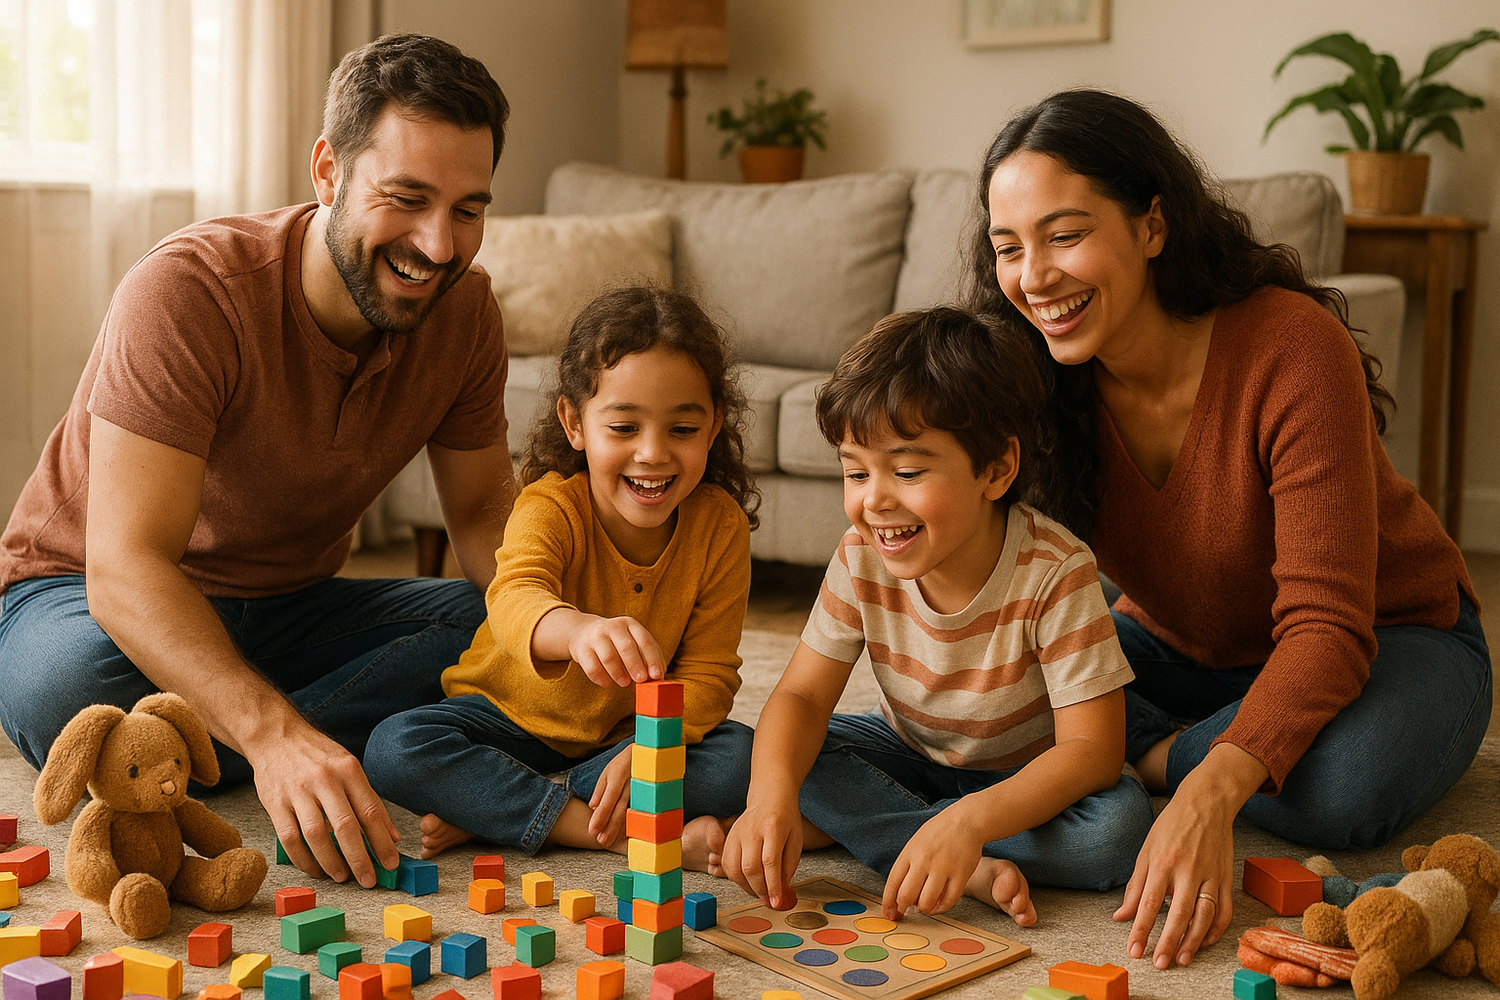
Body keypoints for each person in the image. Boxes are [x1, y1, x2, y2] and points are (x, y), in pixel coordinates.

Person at [969, 89, 1491, 969]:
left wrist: (1207, 787)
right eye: (1008, 248)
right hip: (1183, 644)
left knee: (1343, 788)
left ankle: (1160, 756)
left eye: (1065, 235)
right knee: (990, 689)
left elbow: (1328, 627)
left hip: (1395, 634)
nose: (1034, 277)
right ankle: (1193, 741)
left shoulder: (1290, 346)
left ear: (1153, 226)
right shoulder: (1034, 377)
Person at [0, 34, 515, 889]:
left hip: (289, 608)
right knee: (73, 691)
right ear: (327, 171)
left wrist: (564, 626)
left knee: (492, 627)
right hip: (83, 598)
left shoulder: (467, 313)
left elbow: (484, 522)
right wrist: (276, 735)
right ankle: (267, 731)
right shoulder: (191, 293)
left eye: (467, 209)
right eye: (407, 197)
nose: (437, 245)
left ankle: (192, 732)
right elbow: (124, 570)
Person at [722, 307, 1154, 925]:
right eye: (855, 471)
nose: (874, 500)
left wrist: (970, 820)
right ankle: (944, 853)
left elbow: (1092, 750)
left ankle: (919, 836)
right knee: (762, 758)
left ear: (996, 469)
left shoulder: (1056, 570)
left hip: (1023, 777)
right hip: (909, 750)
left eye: (907, 471)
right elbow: (801, 697)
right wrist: (770, 795)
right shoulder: (860, 554)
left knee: (1112, 833)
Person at [364, 285, 759, 870]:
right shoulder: (551, 505)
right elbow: (514, 596)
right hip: (503, 716)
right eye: (623, 428)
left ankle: (500, 806)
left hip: (620, 738)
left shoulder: (719, 526)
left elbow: (708, 673)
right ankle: (616, 833)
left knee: (745, 756)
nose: (652, 454)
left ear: (714, 424)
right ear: (575, 422)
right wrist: (574, 630)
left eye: (682, 430)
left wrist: (659, 743)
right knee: (395, 748)